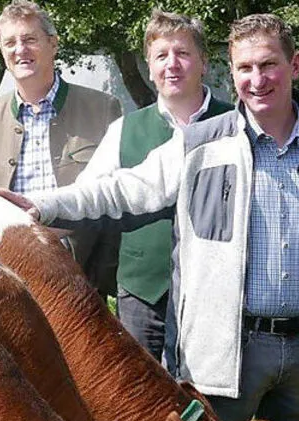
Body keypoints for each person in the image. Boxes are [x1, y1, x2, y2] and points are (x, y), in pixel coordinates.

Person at [0, 13, 299, 421]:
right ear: (232, 71)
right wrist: (39, 206)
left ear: (295, 65)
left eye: (269, 65)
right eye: (244, 68)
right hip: (225, 354)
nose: (257, 79)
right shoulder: (202, 142)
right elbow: (123, 187)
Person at [76, 9, 232, 362]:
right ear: (149, 67)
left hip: (215, 295)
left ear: (204, 62)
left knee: (204, 404)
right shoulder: (124, 130)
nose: (172, 64)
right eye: (161, 56)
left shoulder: (234, 124)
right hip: (142, 293)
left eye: (183, 53)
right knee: (139, 400)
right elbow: (88, 196)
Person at [0, 0, 122, 296]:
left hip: (79, 278)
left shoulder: (102, 108)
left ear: (53, 44)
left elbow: (118, 194)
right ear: (2, 52)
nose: (20, 50)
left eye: (29, 39)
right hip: (4, 276)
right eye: (10, 43)